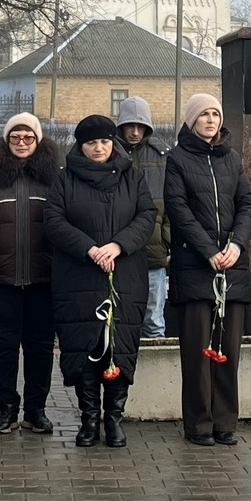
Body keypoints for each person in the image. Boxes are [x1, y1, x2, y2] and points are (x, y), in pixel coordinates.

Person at [47, 115, 155, 449]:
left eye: (105, 141)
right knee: (87, 348)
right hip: (79, 275)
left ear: (114, 143)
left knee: (119, 346)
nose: (99, 148)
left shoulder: (133, 177)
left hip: (125, 274)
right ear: (80, 145)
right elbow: (53, 219)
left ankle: (114, 418)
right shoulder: (64, 179)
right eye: (92, 142)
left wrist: (118, 245)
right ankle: (89, 418)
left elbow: (147, 215)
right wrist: (89, 248)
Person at [164, 92, 251, 447]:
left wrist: (236, 245)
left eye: (216, 114)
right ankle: (199, 424)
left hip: (232, 267)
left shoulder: (232, 158)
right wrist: (207, 251)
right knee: (198, 352)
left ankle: (225, 422)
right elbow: (178, 208)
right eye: (204, 115)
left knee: (228, 350)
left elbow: (246, 203)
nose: (211, 120)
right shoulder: (177, 159)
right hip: (196, 268)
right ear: (191, 120)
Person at [0, 113, 59, 435]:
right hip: (0, 279)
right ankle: (6, 409)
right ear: (6, 140)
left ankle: (36, 410)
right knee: (3, 346)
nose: (22, 143)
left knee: (40, 346)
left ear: (38, 140)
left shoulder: (56, 177)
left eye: (28, 137)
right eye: (15, 137)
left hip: (45, 278)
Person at [115, 97, 171, 339]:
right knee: (119, 320)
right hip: (118, 252)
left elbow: (173, 203)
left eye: (140, 126)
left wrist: (166, 240)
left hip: (153, 251)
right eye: (130, 126)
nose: (135, 132)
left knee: (153, 321)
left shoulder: (163, 157)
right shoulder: (110, 154)